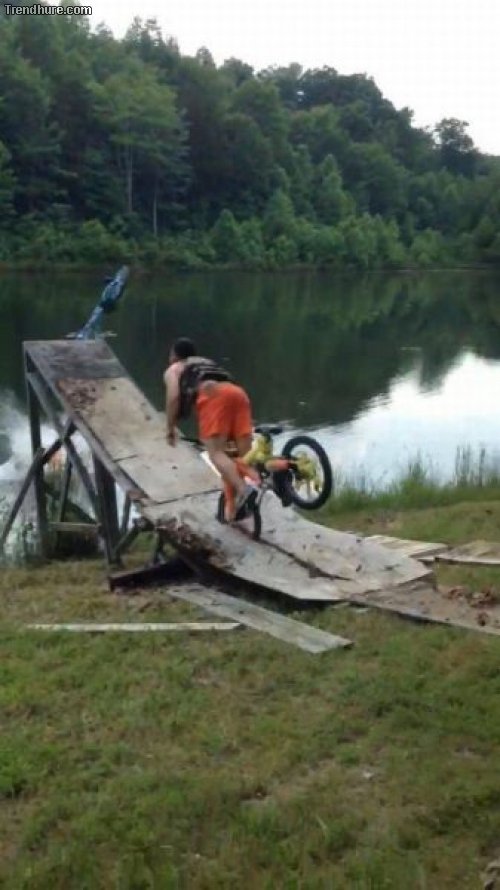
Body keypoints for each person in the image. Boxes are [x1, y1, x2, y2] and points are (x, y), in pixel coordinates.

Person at [164, 337, 257, 520]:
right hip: (238, 393)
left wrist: (170, 428)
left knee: (216, 454)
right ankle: (243, 500)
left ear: (174, 356)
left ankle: (245, 490)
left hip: (213, 396)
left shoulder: (174, 368)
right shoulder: (204, 362)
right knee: (241, 456)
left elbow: (174, 397)